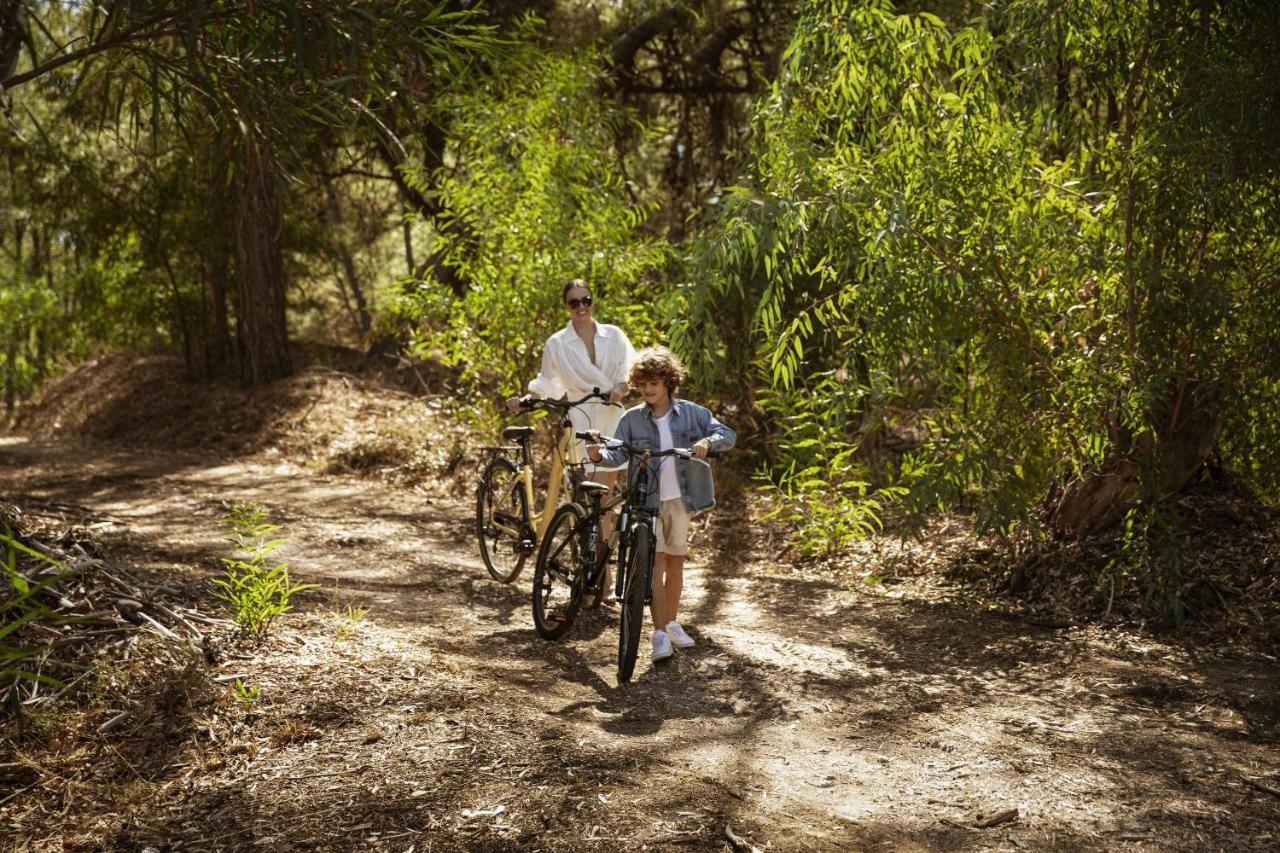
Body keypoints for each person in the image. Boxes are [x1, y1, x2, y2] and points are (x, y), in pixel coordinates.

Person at [588, 346, 735, 663]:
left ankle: (672, 623)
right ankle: (658, 633)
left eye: (654, 381)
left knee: (675, 564)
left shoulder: (692, 414)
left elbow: (727, 434)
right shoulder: (631, 419)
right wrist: (598, 455)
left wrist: (707, 442)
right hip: (646, 501)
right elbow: (618, 455)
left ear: (668, 381)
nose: (648, 389)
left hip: (680, 500)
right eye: (642, 384)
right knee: (653, 565)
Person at [507, 279, 635, 594]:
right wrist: (527, 398)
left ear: (593, 301)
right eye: (573, 302)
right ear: (566, 306)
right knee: (595, 500)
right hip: (580, 416)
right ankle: (598, 579)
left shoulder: (614, 336)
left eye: (585, 300)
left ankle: (597, 575)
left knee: (605, 500)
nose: (581, 307)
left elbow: (629, 370)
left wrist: (620, 387)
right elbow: (549, 383)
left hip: (613, 417)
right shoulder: (558, 342)